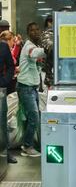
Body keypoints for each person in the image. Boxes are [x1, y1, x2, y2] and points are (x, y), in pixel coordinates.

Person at [17, 22, 46, 157]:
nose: (35, 32)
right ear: (28, 33)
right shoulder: (29, 46)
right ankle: (27, 146)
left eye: (37, 29)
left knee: (32, 117)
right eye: (32, 30)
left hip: (31, 88)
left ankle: (28, 144)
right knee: (34, 116)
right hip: (25, 88)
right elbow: (33, 54)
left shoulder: (34, 45)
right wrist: (49, 49)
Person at [0, 30, 16, 163]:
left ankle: (6, 152)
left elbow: (11, 66)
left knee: (2, 122)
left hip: (0, 90)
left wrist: (4, 81)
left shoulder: (3, 46)